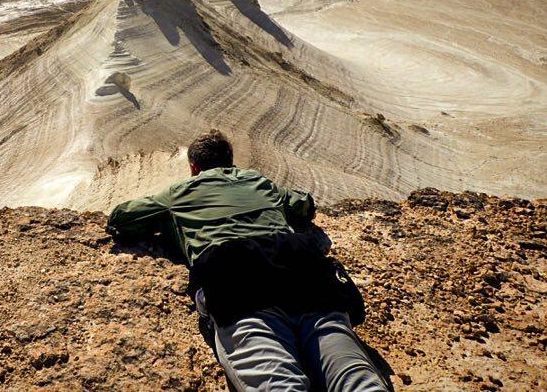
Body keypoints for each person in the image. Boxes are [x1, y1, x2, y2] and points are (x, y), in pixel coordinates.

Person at [107, 129, 389, 392]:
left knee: (279, 384)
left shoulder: (179, 192)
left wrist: (172, 228)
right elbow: (303, 205)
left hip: (236, 278)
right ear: (231, 162)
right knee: (356, 379)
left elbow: (123, 217)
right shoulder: (258, 181)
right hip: (303, 269)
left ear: (194, 168)